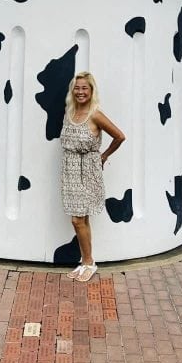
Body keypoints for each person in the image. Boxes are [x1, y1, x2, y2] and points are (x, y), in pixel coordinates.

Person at [60, 70, 125, 282]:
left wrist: (103, 156)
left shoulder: (95, 114)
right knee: (81, 218)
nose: (80, 92)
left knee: (77, 220)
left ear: (91, 91)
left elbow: (119, 136)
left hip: (87, 170)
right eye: (77, 88)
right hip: (70, 170)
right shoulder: (69, 112)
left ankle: (89, 262)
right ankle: (85, 262)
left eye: (84, 88)